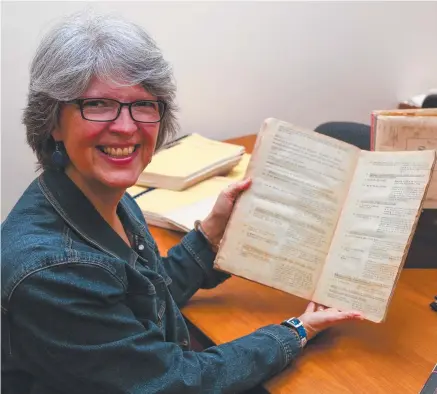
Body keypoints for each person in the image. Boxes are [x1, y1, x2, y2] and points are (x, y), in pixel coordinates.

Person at [1, 11, 364, 394]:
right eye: (98, 104)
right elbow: (174, 382)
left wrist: (209, 236)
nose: (126, 126)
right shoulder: (56, 271)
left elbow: (144, 296)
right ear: (53, 121)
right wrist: (295, 331)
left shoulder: (91, 194)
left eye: (143, 104)